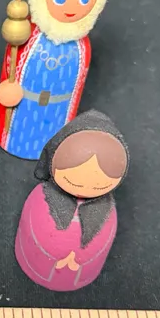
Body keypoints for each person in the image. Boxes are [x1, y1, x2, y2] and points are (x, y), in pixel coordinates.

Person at [0, 0, 111, 160]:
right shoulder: (27, 35)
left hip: (57, 113)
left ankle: (51, 150)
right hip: (21, 112)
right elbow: (11, 68)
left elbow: (75, 90)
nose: (71, 8)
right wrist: (7, 89)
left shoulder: (81, 48)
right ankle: (12, 139)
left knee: (52, 143)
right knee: (16, 130)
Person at [15, 110, 128, 291]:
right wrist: (57, 255)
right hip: (39, 264)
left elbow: (101, 243)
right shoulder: (42, 197)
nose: (86, 183)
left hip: (79, 271)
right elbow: (33, 230)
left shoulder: (106, 211)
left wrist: (77, 259)